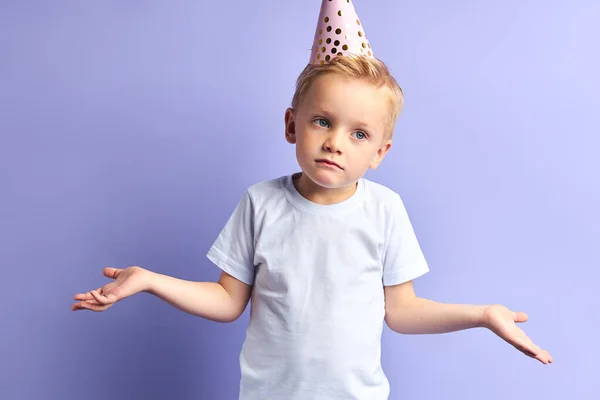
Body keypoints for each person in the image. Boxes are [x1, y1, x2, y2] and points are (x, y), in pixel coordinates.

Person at [72, 1, 552, 399]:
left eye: (359, 133)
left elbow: (402, 312)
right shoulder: (260, 204)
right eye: (322, 121)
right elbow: (226, 300)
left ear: (379, 153)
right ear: (290, 125)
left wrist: (482, 316)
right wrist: (151, 280)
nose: (335, 142)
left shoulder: (385, 211)